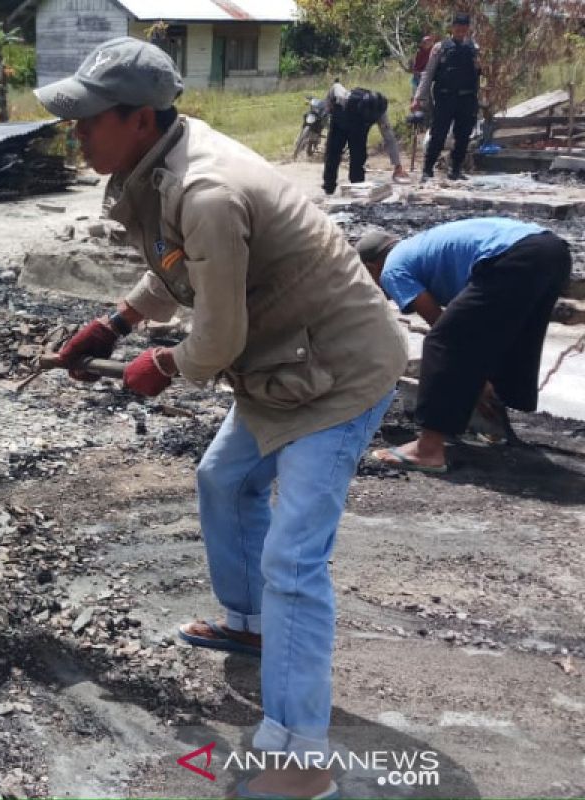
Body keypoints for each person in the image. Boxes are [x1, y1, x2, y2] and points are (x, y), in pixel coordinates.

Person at [36, 37, 408, 800]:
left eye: (88, 121)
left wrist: (162, 366)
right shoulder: (164, 165)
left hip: (339, 374)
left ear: (139, 119)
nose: (77, 135)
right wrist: (114, 324)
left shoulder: (205, 188)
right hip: (285, 362)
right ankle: (251, 623)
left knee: (296, 562)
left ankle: (301, 754)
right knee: (223, 478)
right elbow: (176, 270)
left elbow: (218, 339)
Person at [356, 219, 570, 473]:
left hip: (514, 255)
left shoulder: (392, 268)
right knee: (509, 339)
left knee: (443, 342)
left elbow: (439, 326)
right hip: (552, 250)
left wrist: (472, 381)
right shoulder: (422, 248)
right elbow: (479, 331)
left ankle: (428, 449)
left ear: (371, 267)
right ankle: (497, 426)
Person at [412, 13, 480, 181]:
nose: (460, 32)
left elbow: (477, 73)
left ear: (467, 29)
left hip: (467, 98)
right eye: (458, 28)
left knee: (463, 136)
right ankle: (427, 171)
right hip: (445, 98)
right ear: (452, 28)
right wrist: (418, 98)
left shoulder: (473, 48)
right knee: (438, 135)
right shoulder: (440, 47)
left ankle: (455, 170)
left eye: (464, 29)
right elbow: (428, 74)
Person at [322, 81, 408, 195]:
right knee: (333, 154)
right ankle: (329, 188)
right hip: (340, 122)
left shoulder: (380, 112)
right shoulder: (346, 98)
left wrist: (397, 164)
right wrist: (328, 108)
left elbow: (389, 138)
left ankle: (357, 189)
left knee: (358, 158)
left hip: (359, 131)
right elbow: (335, 86)